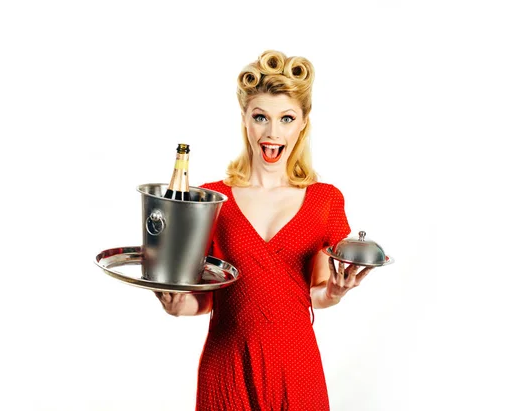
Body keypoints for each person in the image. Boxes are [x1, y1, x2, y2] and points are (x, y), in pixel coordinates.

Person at [155, 50, 373, 410]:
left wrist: (335, 291)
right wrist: (176, 303)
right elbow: (204, 299)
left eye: (286, 118)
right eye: (261, 117)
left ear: (303, 122)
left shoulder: (325, 200)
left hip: (296, 367)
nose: (272, 133)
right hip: (227, 365)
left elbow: (315, 294)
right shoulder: (213, 199)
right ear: (244, 118)